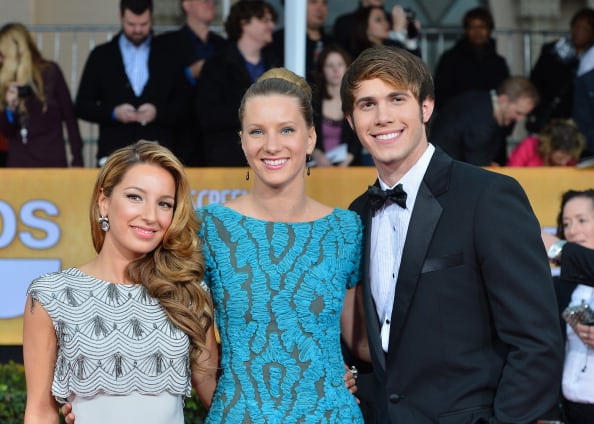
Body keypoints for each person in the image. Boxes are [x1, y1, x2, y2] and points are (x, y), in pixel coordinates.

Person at [341, 45, 563, 423]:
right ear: (350, 119)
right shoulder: (357, 214)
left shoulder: (488, 197)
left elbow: (537, 341)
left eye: (397, 99)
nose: (382, 117)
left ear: (426, 107)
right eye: (367, 104)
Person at [198, 67, 368, 422]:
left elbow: (361, 344)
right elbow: (200, 355)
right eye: (257, 131)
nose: (271, 145)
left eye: (286, 130)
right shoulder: (211, 227)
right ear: (242, 141)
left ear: (310, 139)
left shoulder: (345, 229)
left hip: (331, 414)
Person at [23, 140, 218, 423]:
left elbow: (216, 394)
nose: (151, 216)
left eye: (164, 204)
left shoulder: (189, 294)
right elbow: (40, 411)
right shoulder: (51, 295)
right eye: (135, 197)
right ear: (104, 202)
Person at [76, 0, 192, 166]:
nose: (137, 29)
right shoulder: (101, 56)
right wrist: (114, 113)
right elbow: (82, 105)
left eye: (144, 24)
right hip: (113, 154)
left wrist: (157, 112)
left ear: (152, 18)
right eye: (131, 24)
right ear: (121, 17)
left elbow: (185, 105)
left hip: (159, 154)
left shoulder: (170, 55)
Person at [196, 0, 280, 167]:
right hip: (228, 160)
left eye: (272, 21)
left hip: (269, 158)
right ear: (244, 23)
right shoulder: (217, 64)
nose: (271, 25)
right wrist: (250, 108)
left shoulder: (275, 62)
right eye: (264, 20)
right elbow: (208, 116)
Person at [542, 189, 594, 424]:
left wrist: (556, 248)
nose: (573, 230)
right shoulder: (559, 286)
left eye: (582, 220)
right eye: (567, 223)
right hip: (567, 411)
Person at [0, 22, 83, 167]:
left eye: (2, 54)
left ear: (16, 51)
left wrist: (77, 159)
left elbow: (70, 118)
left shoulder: (50, 72)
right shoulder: (5, 80)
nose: (0, 60)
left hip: (51, 162)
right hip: (18, 165)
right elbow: (7, 132)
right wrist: (10, 108)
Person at [156, 0, 227, 166]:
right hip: (180, 137)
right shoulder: (165, 44)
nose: (211, 3)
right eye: (204, 0)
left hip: (214, 141)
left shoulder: (223, 45)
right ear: (186, 5)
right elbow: (159, 88)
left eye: (213, 1)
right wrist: (188, 74)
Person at [430, 75, 539, 166]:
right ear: (503, 100)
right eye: (518, 113)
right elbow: (477, 165)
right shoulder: (482, 119)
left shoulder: (480, 101)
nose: (519, 119)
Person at [527, 8, 594, 133]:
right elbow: (536, 82)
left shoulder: (590, 59)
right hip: (551, 117)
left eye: (585, 29)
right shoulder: (552, 51)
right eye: (576, 27)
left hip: (581, 122)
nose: (578, 32)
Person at [433, 7, 510, 110]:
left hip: (489, 118)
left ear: (489, 29)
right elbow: (440, 92)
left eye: (482, 26)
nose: (477, 32)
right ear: (466, 30)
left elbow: (504, 94)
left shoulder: (498, 63)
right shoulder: (450, 58)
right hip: (457, 116)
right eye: (472, 27)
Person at [311, 44, 360, 167]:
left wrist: (345, 163)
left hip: (352, 168)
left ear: (347, 67)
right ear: (322, 70)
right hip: (318, 168)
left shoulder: (357, 101)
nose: (335, 70)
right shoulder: (313, 102)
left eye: (340, 64)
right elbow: (304, 134)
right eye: (330, 65)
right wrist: (317, 154)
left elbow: (360, 137)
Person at [271, 0, 335, 85]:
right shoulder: (280, 39)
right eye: (313, 2)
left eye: (324, 3)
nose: (320, 8)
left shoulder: (333, 43)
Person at [333, 1, 419, 58]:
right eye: (378, 20)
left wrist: (411, 39)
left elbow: (416, 70)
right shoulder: (345, 23)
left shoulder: (392, 20)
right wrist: (397, 36)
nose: (386, 24)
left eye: (385, 19)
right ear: (365, 27)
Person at [507, 118, 585, 166]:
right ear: (549, 147)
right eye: (560, 158)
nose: (563, 163)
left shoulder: (572, 156)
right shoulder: (530, 146)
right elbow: (512, 173)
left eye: (568, 159)